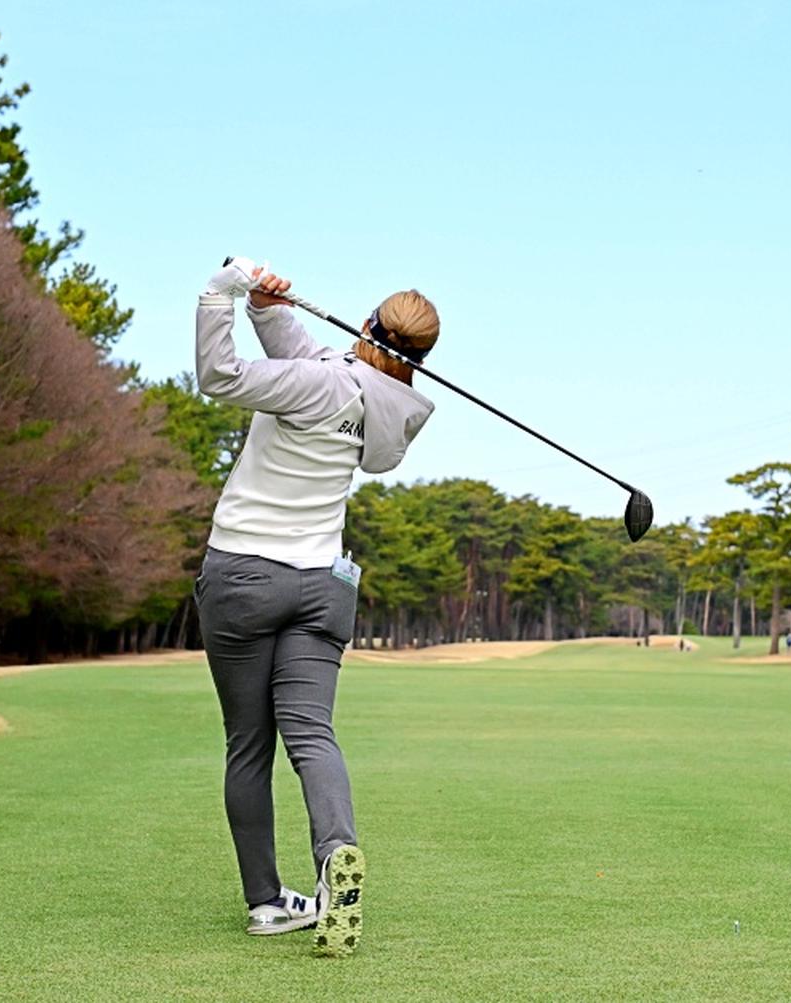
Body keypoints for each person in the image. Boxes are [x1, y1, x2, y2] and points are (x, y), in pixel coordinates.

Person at [193, 257, 439, 956]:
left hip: (243, 576)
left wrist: (221, 293)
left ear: (366, 324)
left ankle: (268, 903)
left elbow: (220, 378)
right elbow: (311, 363)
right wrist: (269, 309)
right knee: (312, 733)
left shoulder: (322, 381)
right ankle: (336, 857)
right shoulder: (391, 405)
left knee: (249, 743)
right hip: (321, 587)